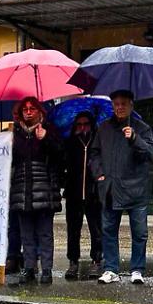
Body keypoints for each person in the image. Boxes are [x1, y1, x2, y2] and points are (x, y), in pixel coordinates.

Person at [90, 89, 153, 285]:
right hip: (110, 187)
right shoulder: (103, 128)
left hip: (136, 187)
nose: (119, 107)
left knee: (139, 232)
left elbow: (152, 153)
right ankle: (111, 269)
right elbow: (94, 154)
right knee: (109, 230)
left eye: (123, 104)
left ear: (131, 105)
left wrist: (135, 139)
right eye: (116, 104)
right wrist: (98, 173)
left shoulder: (141, 128)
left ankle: (137, 269)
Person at [9, 97, 63, 285]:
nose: (29, 112)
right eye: (25, 109)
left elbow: (59, 155)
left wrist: (45, 138)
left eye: (33, 108)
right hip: (22, 190)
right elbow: (11, 161)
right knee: (26, 234)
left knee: (45, 233)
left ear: (40, 111)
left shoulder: (50, 130)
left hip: (44, 190)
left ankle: (46, 269)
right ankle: (29, 268)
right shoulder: (14, 133)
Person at [63, 111, 103, 280]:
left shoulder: (98, 142)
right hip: (74, 192)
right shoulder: (70, 142)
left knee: (96, 229)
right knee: (73, 230)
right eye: (79, 125)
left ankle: (97, 259)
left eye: (85, 124)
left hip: (93, 192)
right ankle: (73, 261)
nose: (82, 127)